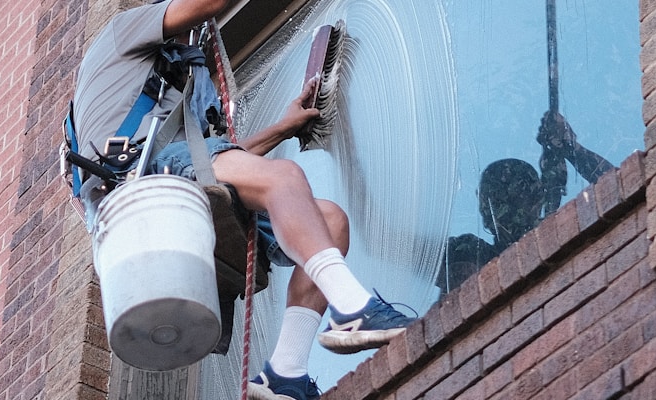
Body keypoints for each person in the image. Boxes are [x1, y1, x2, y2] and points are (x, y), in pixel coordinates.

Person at [71, 0, 415, 398]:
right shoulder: (126, 30)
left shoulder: (186, 76)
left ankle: (285, 371)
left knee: (331, 221)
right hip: (144, 177)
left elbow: (210, 163)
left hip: (177, 182)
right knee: (284, 176)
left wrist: (281, 130)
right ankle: (354, 307)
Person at [441, 111, 612, 294]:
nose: (494, 211)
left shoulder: (560, 232)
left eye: (507, 199)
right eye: (490, 202)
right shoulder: (471, 251)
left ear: (535, 199)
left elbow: (614, 188)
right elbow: (416, 253)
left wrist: (570, 148)